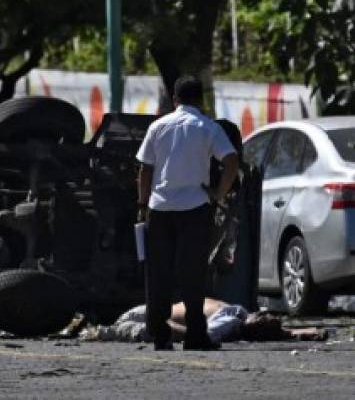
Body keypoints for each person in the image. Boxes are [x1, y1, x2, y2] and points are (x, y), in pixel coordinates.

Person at [136, 76, 239, 351]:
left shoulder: (157, 126)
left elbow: (145, 169)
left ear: (174, 99)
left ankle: (159, 334)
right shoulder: (208, 127)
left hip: (159, 209)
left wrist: (142, 203)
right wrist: (219, 192)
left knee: (159, 273)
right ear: (201, 100)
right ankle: (195, 335)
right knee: (192, 273)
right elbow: (231, 160)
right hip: (194, 207)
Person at [87, 298, 325, 344]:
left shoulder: (232, 318)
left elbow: (205, 336)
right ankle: (99, 331)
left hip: (146, 318)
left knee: (114, 331)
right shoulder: (237, 314)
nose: (266, 316)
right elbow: (274, 329)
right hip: (146, 313)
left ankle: (99, 332)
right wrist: (300, 332)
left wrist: (167, 328)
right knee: (116, 329)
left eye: (264, 320)